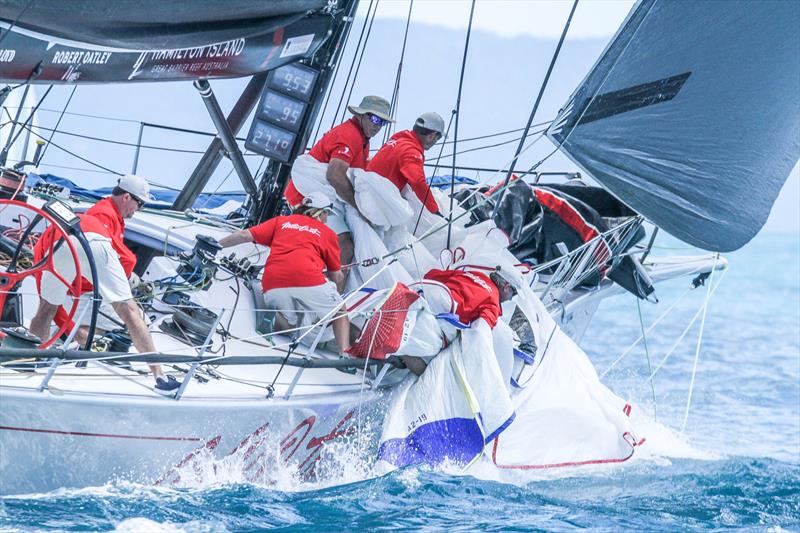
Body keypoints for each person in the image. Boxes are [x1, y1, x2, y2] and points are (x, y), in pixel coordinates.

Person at [29, 174, 181, 396]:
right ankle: (160, 376)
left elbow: (41, 258)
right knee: (131, 312)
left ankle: (32, 359)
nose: (138, 210)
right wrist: (127, 276)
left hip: (59, 238)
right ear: (127, 197)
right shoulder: (102, 214)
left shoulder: (109, 215)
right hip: (90, 244)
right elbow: (122, 257)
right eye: (140, 204)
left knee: (46, 309)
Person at [217, 191, 352, 354]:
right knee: (339, 310)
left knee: (290, 321)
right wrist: (341, 273)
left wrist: (216, 245)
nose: (327, 218)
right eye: (327, 214)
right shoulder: (327, 233)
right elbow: (335, 276)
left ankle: (274, 319)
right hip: (308, 279)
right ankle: (345, 353)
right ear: (321, 212)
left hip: (273, 282)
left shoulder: (282, 222)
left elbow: (245, 234)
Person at [283, 95, 394, 290]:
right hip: (307, 198)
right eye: (375, 119)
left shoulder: (362, 138)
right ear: (361, 115)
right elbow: (335, 174)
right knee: (345, 245)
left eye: (383, 122)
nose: (378, 126)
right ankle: (329, 300)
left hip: (322, 198)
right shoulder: (349, 135)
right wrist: (361, 208)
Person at [401, 266, 517, 375]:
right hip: (436, 323)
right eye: (513, 294)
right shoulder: (493, 303)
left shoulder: (475, 274)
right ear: (506, 287)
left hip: (418, 301)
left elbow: (432, 275)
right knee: (432, 371)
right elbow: (480, 333)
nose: (510, 299)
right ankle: (400, 357)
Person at [367, 111, 445, 215]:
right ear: (432, 135)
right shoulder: (411, 151)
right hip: (375, 203)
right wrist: (434, 210)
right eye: (438, 138)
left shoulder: (398, 139)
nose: (436, 141)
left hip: (366, 192)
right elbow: (418, 182)